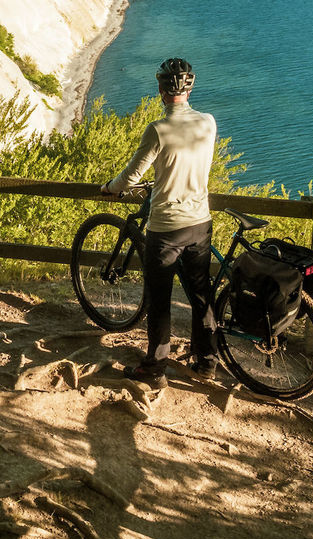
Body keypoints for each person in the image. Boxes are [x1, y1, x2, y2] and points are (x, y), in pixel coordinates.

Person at [99, 58, 218, 388]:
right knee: (200, 294)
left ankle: (154, 367)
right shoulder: (208, 123)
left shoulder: (158, 129)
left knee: (159, 298)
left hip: (166, 227)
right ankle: (207, 362)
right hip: (200, 223)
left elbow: (132, 176)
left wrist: (111, 188)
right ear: (190, 88)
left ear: (161, 91)